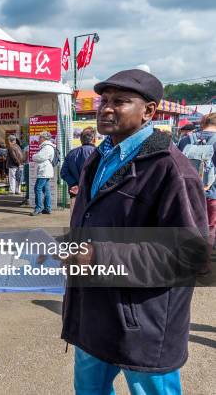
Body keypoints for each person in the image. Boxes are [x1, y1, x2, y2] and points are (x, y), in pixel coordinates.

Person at [64, 69, 208, 395]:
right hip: (93, 312)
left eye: (120, 101)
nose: (106, 108)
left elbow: (191, 254)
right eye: (104, 100)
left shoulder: (171, 169)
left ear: (149, 111)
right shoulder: (98, 159)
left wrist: (98, 254)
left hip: (142, 322)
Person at [178, 112, 216, 246]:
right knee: (210, 227)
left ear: (203, 123)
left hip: (187, 191)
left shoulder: (185, 140)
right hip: (212, 194)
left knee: (190, 225)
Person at [60, 127, 96, 213]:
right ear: (93, 139)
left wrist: (74, 184)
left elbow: (63, 172)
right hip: (93, 194)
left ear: (81, 140)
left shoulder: (71, 153)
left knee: (75, 221)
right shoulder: (98, 153)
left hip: (75, 193)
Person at [30, 131, 56, 216]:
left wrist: (34, 156)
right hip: (45, 170)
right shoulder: (47, 146)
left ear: (44, 138)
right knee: (46, 190)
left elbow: (40, 157)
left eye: (40, 137)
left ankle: (38, 208)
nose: (38, 139)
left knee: (37, 188)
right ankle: (47, 208)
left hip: (44, 171)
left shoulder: (47, 147)